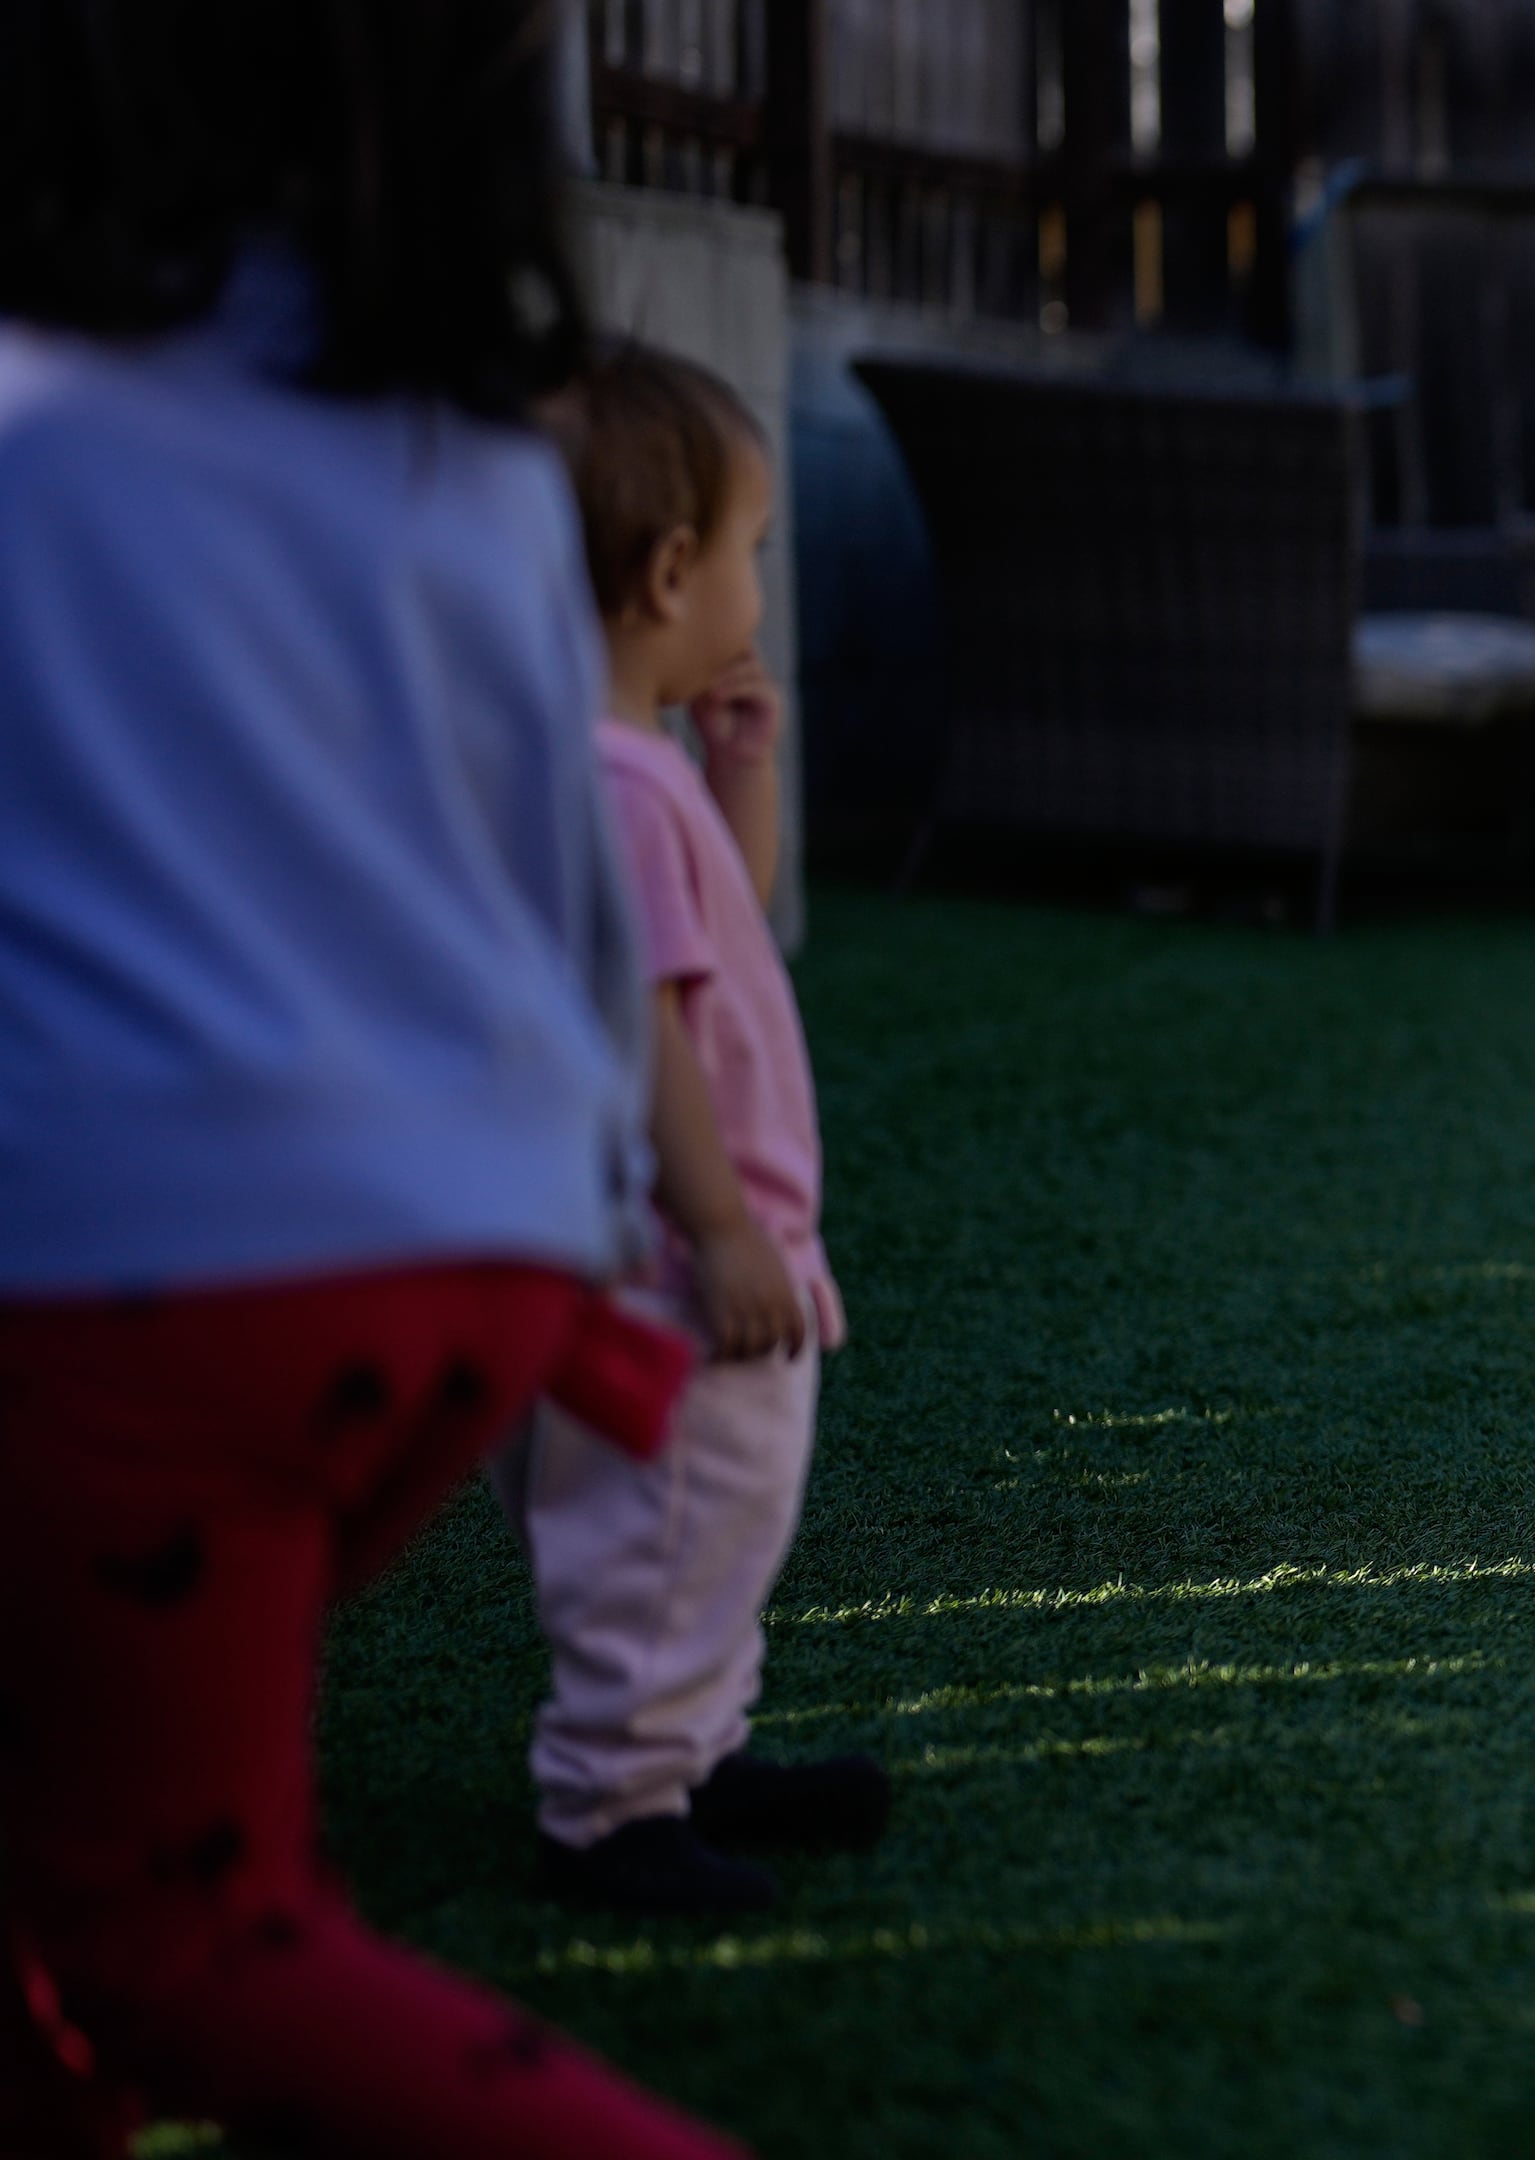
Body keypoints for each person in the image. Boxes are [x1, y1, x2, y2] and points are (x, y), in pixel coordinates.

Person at [0, 3, 744, 2153]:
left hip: (156, 1279)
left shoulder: (45, 405)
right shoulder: (455, 438)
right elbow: (576, 884)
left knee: (188, 1935)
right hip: (469, 1268)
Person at [510, 340, 883, 1916]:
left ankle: (693, 1754)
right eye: (750, 556)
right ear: (670, 574)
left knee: (716, 1528)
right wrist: (724, 1228)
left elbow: (714, 914)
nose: (753, 589)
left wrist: (744, 775)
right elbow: (649, 1021)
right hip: (677, 1264)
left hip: (684, 1247)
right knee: (665, 1530)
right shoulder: (613, 787)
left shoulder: (629, 775)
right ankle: (614, 1807)